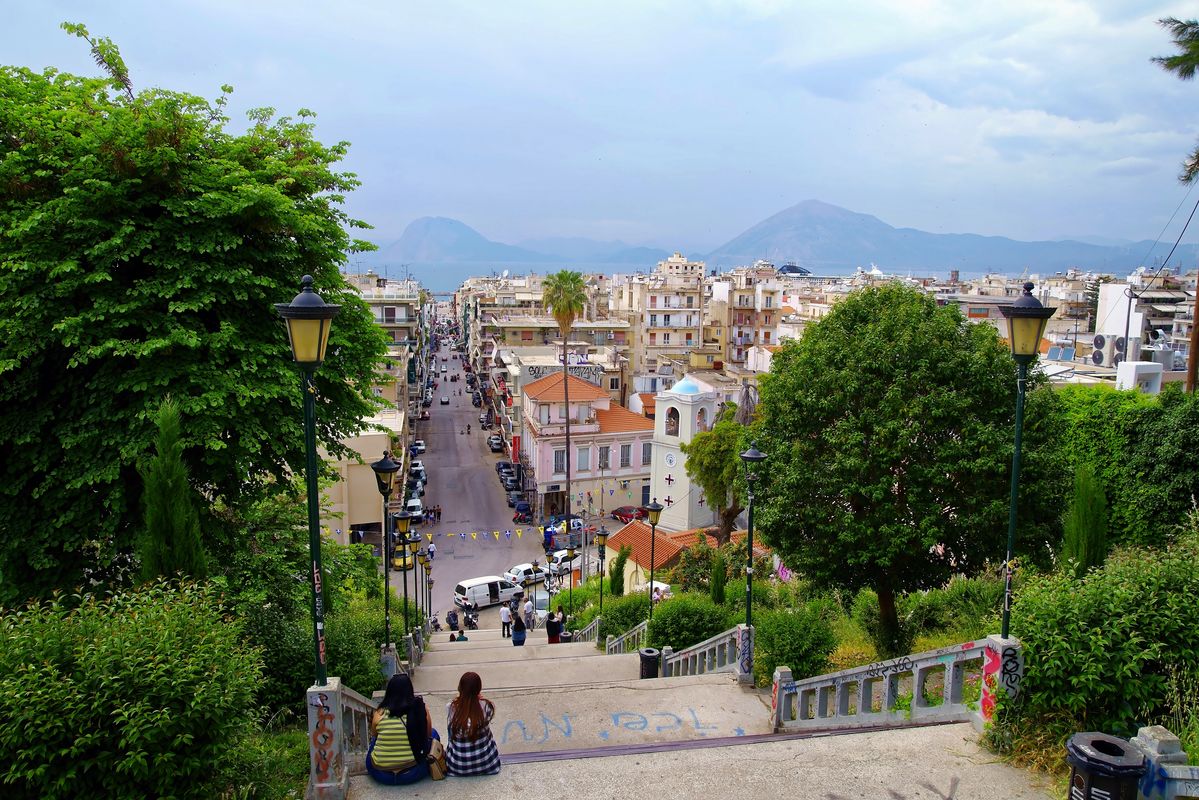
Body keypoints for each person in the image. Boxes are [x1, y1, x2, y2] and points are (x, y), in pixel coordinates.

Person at [366, 674, 439, 785]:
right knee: (434, 733)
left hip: (381, 774)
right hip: (412, 773)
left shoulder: (379, 713)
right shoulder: (420, 709)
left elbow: (374, 735)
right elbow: (427, 735)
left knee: (374, 741)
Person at [445, 672, 501, 776]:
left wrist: (459, 698)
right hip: (487, 764)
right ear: (479, 690)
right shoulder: (487, 706)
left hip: (458, 767)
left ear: (460, 688)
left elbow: (450, 736)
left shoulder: (451, 707)